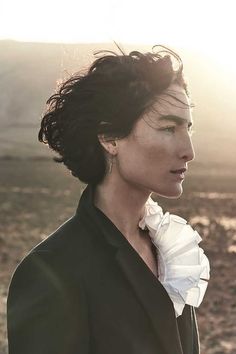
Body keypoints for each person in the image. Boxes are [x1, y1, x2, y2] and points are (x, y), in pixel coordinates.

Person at [7, 45, 210, 354]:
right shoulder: (52, 271)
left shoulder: (171, 251)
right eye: (169, 128)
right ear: (110, 138)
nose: (188, 151)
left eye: (188, 128)